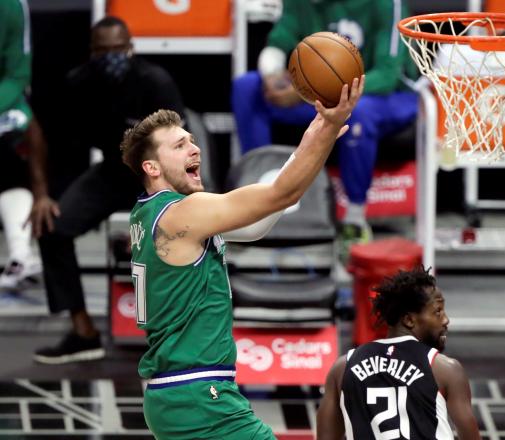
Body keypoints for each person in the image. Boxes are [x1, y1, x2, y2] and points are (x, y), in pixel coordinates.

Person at [120, 76, 363, 439]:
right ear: (151, 168)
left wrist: (315, 141)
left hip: (178, 394)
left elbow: (257, 225)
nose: (194, 149)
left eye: (191, 140)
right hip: (200, 397)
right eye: (179, 145)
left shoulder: (149, 216)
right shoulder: (183, 213)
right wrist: (325, 128)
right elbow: (281, 193)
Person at [30, 16, 186, 364]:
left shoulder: (154, 81)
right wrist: (45, 195)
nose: (111, 56)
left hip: (159, 175)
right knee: (52, 228)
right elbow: (55, 144)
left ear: (129, 48)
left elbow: (178, 149)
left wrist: (152, 215)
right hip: (112, 173)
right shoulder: (79, 82)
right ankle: (83, 332)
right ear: (92, 52)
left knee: (170, 238)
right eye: (103, 51)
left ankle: (176, 336)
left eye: (118, 49)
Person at [232, 0, 418, 260]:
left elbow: (387, 76)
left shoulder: (388, 3)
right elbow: (277, 44)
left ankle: (354, 220)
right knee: (246, 88)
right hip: (323, 94)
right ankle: (254, 207)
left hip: (389, 96)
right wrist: (272, 76)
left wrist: (301, 93)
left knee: (359, 112)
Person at [316, 267, 481, 440]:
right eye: (437, 311)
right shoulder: (445, 369)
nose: (446, 320)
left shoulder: (343, 367)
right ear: (409, 320)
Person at [0, 0, 42, 291]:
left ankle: (20, 255)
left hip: (3, 97)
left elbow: (17, 74)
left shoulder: (11, 5)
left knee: (25, 125)